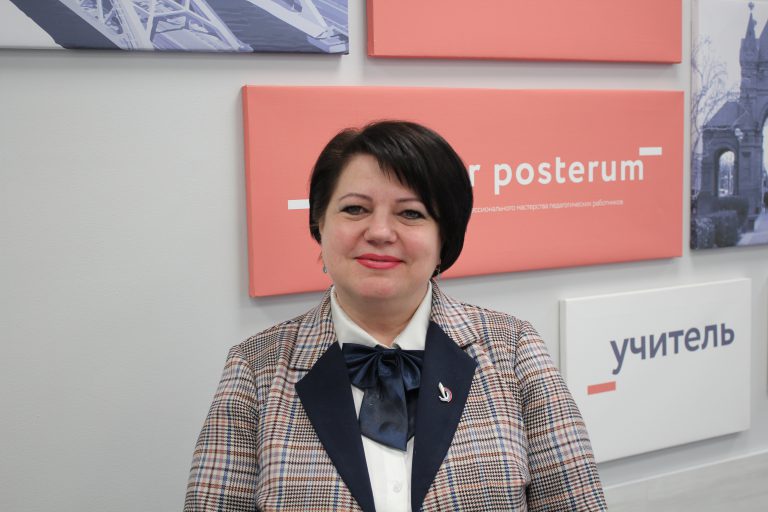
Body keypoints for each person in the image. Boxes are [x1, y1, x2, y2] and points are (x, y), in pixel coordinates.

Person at [184, 121, 606, 511]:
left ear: (444, 239)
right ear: (319, 224)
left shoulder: (513, 349)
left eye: (411, 213)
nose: (380, 232)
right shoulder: (255, 368)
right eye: (355, 209)